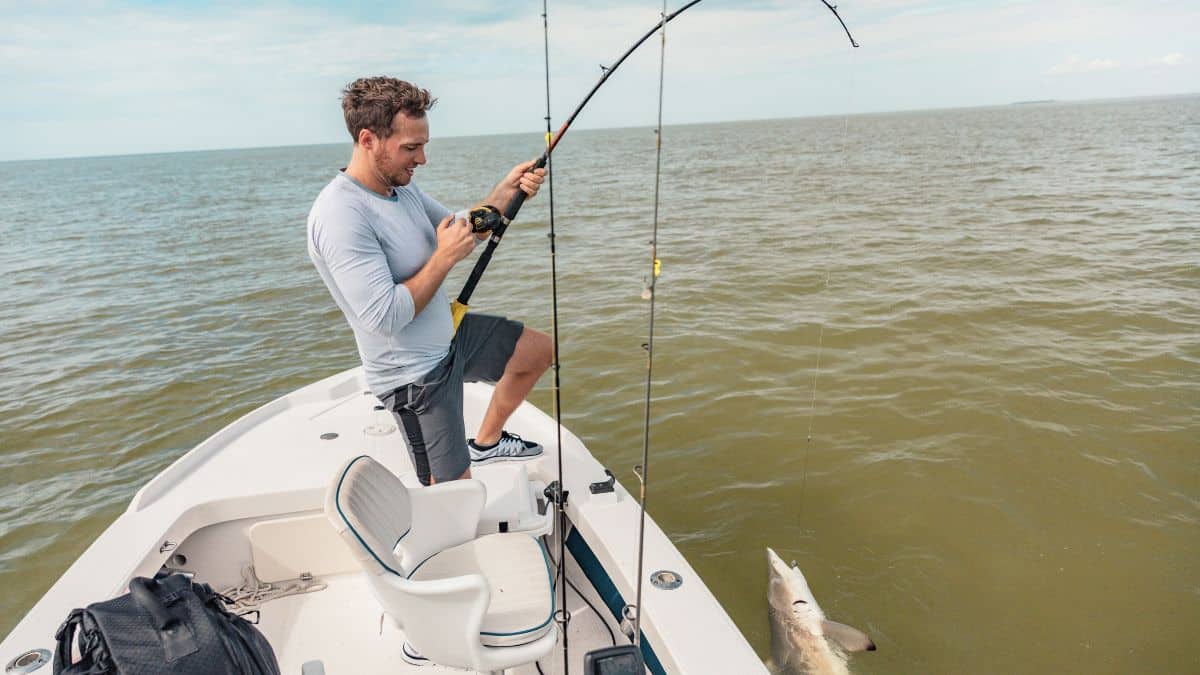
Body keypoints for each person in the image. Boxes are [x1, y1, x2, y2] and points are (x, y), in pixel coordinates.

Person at [307, 76, 552, 486]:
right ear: (368, 140)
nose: (422, 159)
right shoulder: (341, 215)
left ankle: (487, 442)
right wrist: (442, 258)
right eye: (410, 148)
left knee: (539, 352)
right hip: (416, 379)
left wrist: (506, 192)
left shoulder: (400, 191)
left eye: (423, 145)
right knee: (453, 500)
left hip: (450, 339)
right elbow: (384, 317)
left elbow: (463, 225)